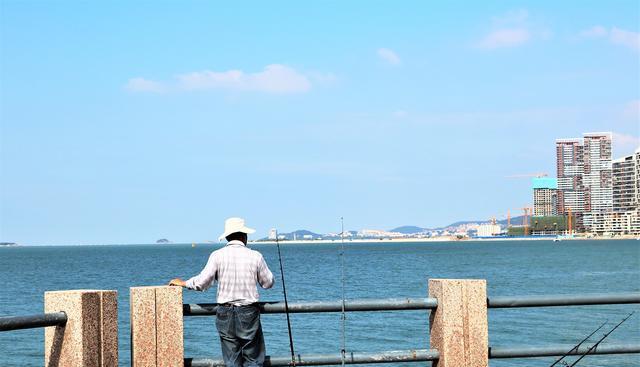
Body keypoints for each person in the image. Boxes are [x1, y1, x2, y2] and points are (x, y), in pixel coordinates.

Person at [169, 217, 274, 367]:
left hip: (225, 312)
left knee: (231, 361)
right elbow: (268, 283)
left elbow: (202, 283)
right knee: (253, 360)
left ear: (227, 236)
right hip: (248, 312)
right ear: (244, 236)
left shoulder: (217, 255)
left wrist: (184, 283)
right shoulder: (255, 256)